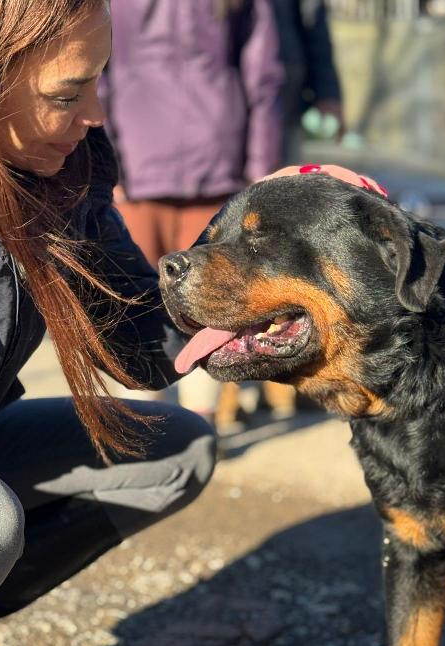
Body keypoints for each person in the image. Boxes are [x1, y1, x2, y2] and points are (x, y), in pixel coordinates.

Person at [0, 0, 217, 646]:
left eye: (99, 83)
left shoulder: (65, 174)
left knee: (175, 449)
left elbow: (145, 349)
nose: (95, 113)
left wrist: (255, 267)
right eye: (67, 94)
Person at [100, 0, 285, 427]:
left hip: (211, 165)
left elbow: (263, 73)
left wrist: (260, 174)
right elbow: (95, 68)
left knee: (207, 298)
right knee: (133, 301)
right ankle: (146, 425)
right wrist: (104, 161)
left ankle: (195, 424)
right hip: (145, 164)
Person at [270, 0, 345, 163]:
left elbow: (313, 17)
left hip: (284, 82)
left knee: (280, 175)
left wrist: (328, 91)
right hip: (225, 83)